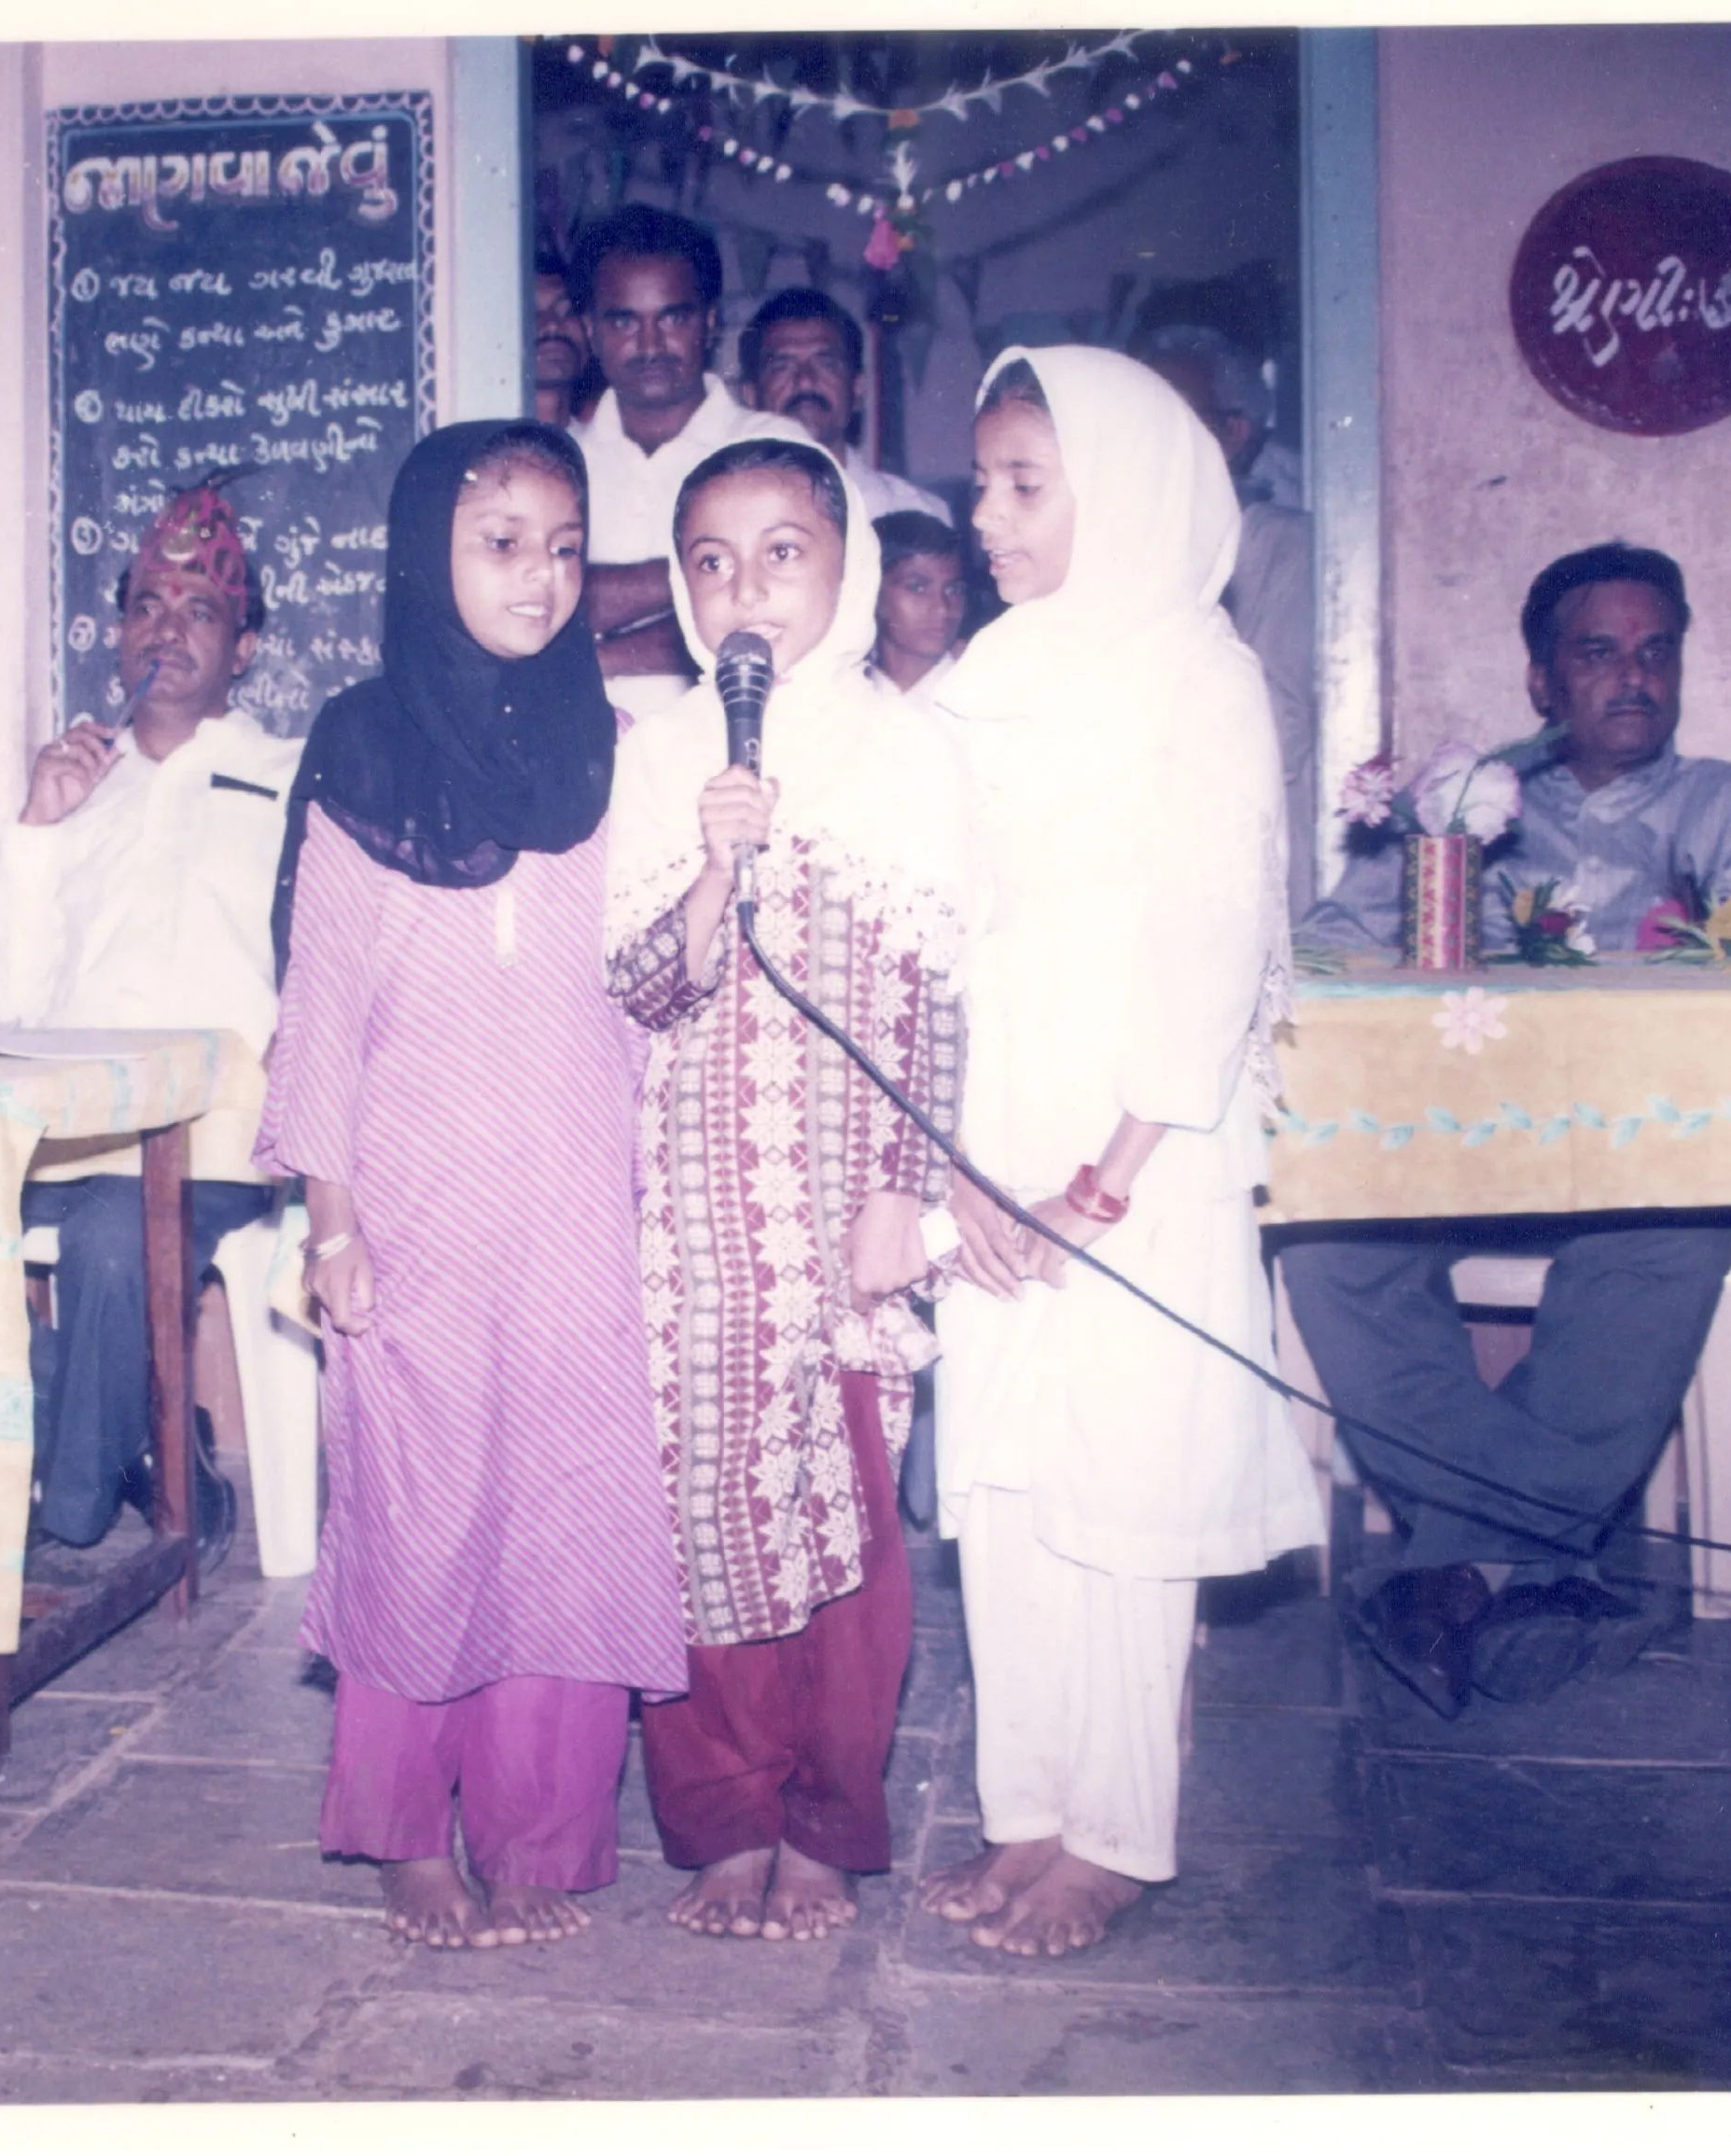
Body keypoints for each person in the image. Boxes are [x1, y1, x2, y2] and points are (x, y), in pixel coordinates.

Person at [914, 347, 1323, 1960]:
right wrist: (950, 1157)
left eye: (1026, 485)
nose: (988, 519)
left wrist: (1100, 1179)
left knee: (1121, 1484)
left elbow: (1215, 943)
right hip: (989, 1143)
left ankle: (1117, 1834)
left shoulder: (1194, 676)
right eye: (981, 484)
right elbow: (926, 928)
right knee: (1006, 1485)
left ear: (1129, 488)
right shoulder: (979, 679)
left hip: (1137, 1157)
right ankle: (1024, 1811)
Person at [258, 419, 686, 1951]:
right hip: (416, 1197)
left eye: (566, 546)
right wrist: (332, 1218)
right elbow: (318, 1007)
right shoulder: (366, 744)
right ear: (426, 549)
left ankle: (543, 1834)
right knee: (426, 1505)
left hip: (579, 1188)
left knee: (568, 1500)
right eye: (500, 539)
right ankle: (400, 1832)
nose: (541, 575)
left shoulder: (613, 746)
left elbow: (647, 972)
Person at [1285, 542, 1731, 1720]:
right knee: (1324, 1238)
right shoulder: (1464, 808)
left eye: (1655, 651)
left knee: (1681, 1232)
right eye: (1597, 652)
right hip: (1451, 1143)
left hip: (1636, 1150)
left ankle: (1451, 1572)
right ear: (1539, 680)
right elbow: (1323, 946)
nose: (1632, 676)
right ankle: (1540, 1576)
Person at [605, 438, 969, 1944]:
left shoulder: (905, 757)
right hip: (690, 1216)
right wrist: (706, 867)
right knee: (696, 1516)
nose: (743, 590)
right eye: (708, 561)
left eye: (780, 553)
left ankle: (826, 1815)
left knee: (846, 1522)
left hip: (841, 1211)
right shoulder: (654, 753)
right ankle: (718, 1813)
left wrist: (909, 1193)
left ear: (849, 566)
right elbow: (633, 988)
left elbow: (937, 1001)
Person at [0, 479, 304, 1552]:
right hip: (62, 1128)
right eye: (145, 606)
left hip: (211, 1133)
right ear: (117, 632)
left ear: (245, 644)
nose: (165, 630)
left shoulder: (291, 776)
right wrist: (35, 827)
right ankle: (148, 1453)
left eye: (198, 610)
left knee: (117, 1237)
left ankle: (60, 1510)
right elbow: (8, 1001)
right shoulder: (77, 785)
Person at [565, 204, 813, 714]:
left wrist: (598, 653)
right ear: (591, 331)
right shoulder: (561, 463)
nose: (651, 345)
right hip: (592, 771)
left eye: (673, 317)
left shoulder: (773, 447)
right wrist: (712, 569)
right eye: (624, 321)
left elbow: (785, 616)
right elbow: (551, 602)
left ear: (710, 321)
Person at [1137, 323, 1320, 921]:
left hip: (1236, 870)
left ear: (1233, 433)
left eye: (1171, 416)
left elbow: (1280, 731)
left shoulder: (1284, 546)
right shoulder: (1116, 550)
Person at [742, 286, 952, 525]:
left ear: (858, 390)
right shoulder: (720, 514)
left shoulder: (917, 513)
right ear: (750, 397)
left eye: (826, 364)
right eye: (782, 366)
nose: (805, 380)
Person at [867, 511, 972, 700]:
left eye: (953, 590)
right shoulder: (844, 699)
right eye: (917, 588)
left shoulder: (985, 697)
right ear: (872, 590)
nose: (942, 608)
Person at [530, 244, 597, 428]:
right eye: (530, 313)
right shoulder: (478, 452)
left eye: (568, 310)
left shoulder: (606, 452)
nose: (552, 324)